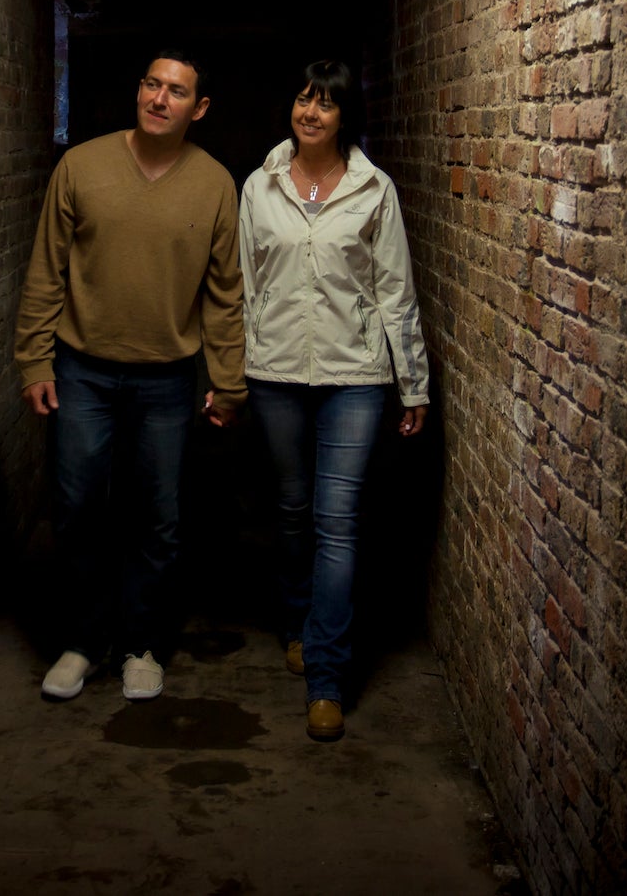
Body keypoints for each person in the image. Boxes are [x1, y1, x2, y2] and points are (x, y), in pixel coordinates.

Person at [15, 48, 245, 703]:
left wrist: (228, 381)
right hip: (81, 368)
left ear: (197, 108)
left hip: (167, 378)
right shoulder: (81, 166)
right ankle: (85, 641)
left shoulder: (214, 184)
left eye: (176, 90)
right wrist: (34, 357)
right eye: (150, 82)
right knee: (79, 505)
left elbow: (225, 295)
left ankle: (141, 642)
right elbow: (45, 271)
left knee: (158, 516)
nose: (159, 97)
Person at [238, 59, 429, 741]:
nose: (310, 112)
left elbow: (394, 291)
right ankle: (296, 621)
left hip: (354, 374)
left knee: (337, 518)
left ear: (347, 116)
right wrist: (235, 371)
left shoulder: (374, 190)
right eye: (303, 98)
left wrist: (413, 381)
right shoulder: (259, 186)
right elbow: (247, 284)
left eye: (326, 103)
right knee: (291, 510)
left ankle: (327, 675)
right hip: (276, 372)